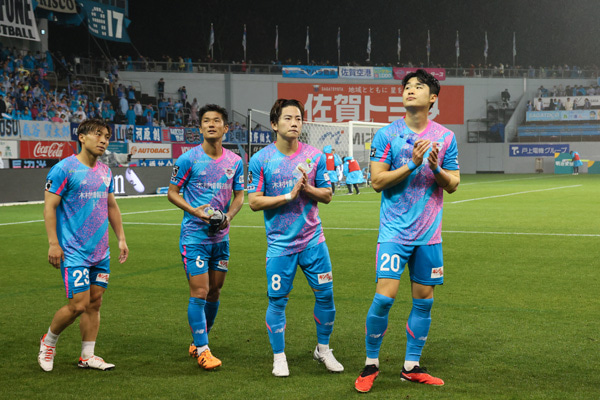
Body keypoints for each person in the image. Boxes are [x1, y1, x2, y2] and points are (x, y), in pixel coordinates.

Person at [354, 69, 460, 393]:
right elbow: (376, 181)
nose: (410, 90)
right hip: (394, 233)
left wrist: (435, 167)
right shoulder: (387, 134)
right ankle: (371, 364)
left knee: (424, 302)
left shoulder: (446, 137)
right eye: (407, 86)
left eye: (419, 86)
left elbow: (453, 183)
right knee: (383, 298)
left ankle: (411, 366)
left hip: (429, 236)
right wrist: (413, 163)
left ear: (433, 98)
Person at [248, 99, 344, 377]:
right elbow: (254, 201)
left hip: (314, 241)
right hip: (280, 245)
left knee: (326, 296)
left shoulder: (314, 156)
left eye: (298, 118)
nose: (294, 123)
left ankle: (323, 350)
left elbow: (327, 195)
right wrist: (288, 196)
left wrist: (307, 190)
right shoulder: (261, 159)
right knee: (277, 301)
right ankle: (279, 357)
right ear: (274, 124)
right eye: (288, 118)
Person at [38, 119, 129, 372]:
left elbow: (111, 205)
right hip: (73, 251)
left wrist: (121, 238)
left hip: (100, 252)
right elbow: (49, 207)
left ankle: (87, 356)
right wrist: (53, 243)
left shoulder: (105, 171)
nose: (103, 140)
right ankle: (48, 342)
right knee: (78, 304)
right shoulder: (64, 169)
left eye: (107, 136)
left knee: (95, 302)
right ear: (81, 137)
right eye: (98, 135)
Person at [167, 104, 244, 371]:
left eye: (217, 120)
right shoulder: (188, 159)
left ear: (226, 128)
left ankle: (199, 341)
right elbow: (172, 193)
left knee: (214, 292)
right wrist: (194, 211)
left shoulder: (235, 161)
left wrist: (228, 216)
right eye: (206, 121)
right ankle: (203, 350)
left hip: (220, 238)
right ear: (200, 128)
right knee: (199, 292)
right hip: (194, 237)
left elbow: (239, 195)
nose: (211, 124)